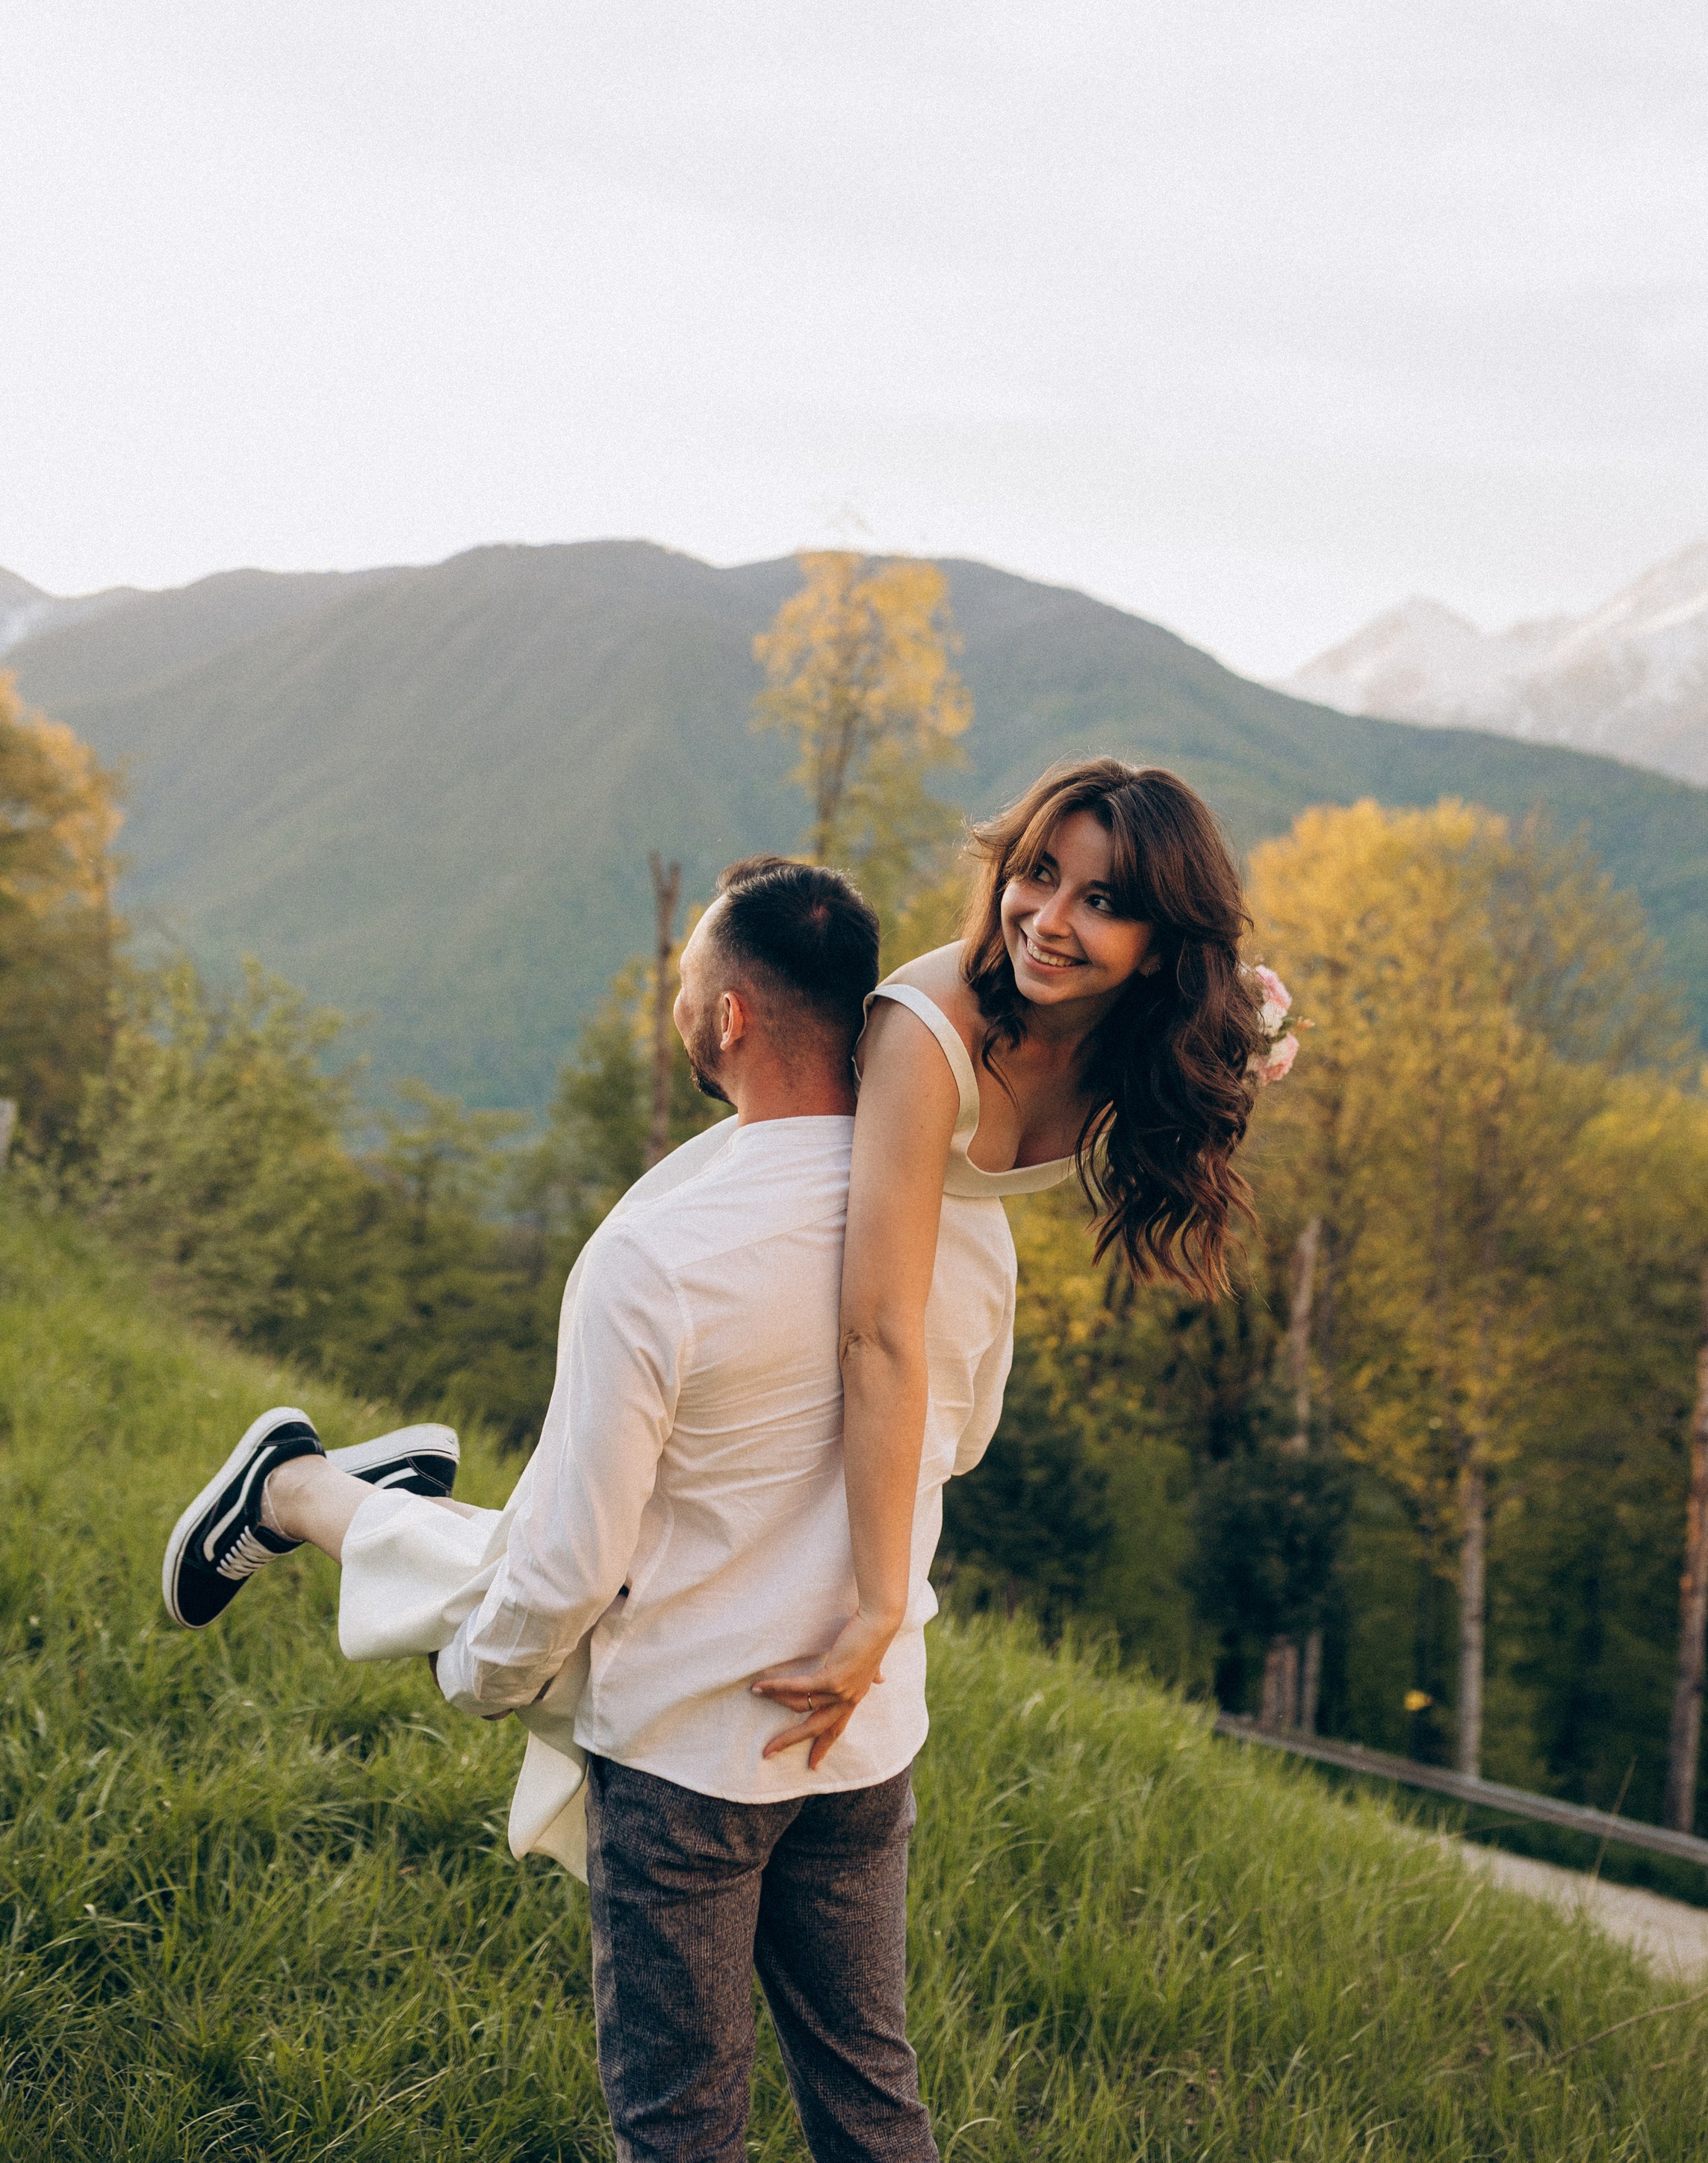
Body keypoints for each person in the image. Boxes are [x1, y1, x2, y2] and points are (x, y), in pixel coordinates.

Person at [164, 856, 1001, 2163]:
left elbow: (570, 1565)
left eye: (684, 979)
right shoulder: (964, 1225)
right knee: (871, 2094)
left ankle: (302, 1493)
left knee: (678, 2127)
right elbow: (960, 1434)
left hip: (688, 1758)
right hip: (866, 1728)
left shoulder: (657, 1254)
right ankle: (309, 1496)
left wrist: (478, 1681)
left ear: (726, 1019)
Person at [749, 757, 1270, 1764]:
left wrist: (1239, 1039)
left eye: (1103, 900)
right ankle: (355, 1502)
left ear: (1164, 949)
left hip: (943, 1275)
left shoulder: (1141, 1026)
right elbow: (876, 1330)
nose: (1047, 917)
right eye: (1035, 873)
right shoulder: (928, 1027)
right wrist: (882, 1603)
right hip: (810, 1260)